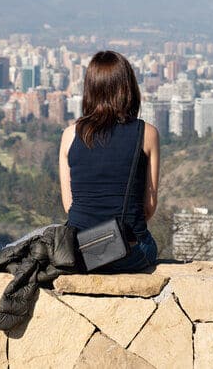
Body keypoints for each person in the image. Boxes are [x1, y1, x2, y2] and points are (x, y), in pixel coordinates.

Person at [59, 50, 160, 272]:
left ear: (90, 90)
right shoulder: (147, 134)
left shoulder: (70, 135)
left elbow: (70, 206)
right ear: (128, 88)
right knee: (148, 246)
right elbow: (148, 207)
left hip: (82, 253)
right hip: (129, 251)